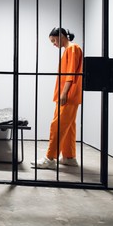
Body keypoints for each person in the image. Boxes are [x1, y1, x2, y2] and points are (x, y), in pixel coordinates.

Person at [31, 27, 83, 170]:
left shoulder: (72, 48)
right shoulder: (71, 49)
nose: (54, 44)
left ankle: (50, 158)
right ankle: (69, 157)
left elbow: (71, 73)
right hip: (70, 95)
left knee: (58, 125)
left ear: (61, 35)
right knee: (68, 126)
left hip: (68, 95)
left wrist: (64, 93)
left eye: (54, 40)